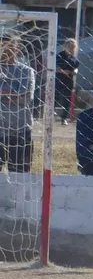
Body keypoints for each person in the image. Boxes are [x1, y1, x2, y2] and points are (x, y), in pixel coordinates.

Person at [0, 33, 36, 174]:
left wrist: (5, 95)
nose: (5, 49)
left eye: (9, 45)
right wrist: (14, 93)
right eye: (2, 45)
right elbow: (19, 94)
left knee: (19, 176)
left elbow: (26, 97)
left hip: (20, 130)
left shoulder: (26, 71)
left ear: (17, 48)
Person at [55, 38, 79, 125]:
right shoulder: (59, 56)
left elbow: (76, 69)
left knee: (67, 100)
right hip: (58, 80)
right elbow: (54, 68)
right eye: (69, 47)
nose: (70, 49)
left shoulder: (73, 59)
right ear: (65, 47)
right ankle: (51, 111)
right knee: (55, 96)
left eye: (73, 47)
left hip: (68, 81)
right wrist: (63, 71)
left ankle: (64, 118)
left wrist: (73, 72)